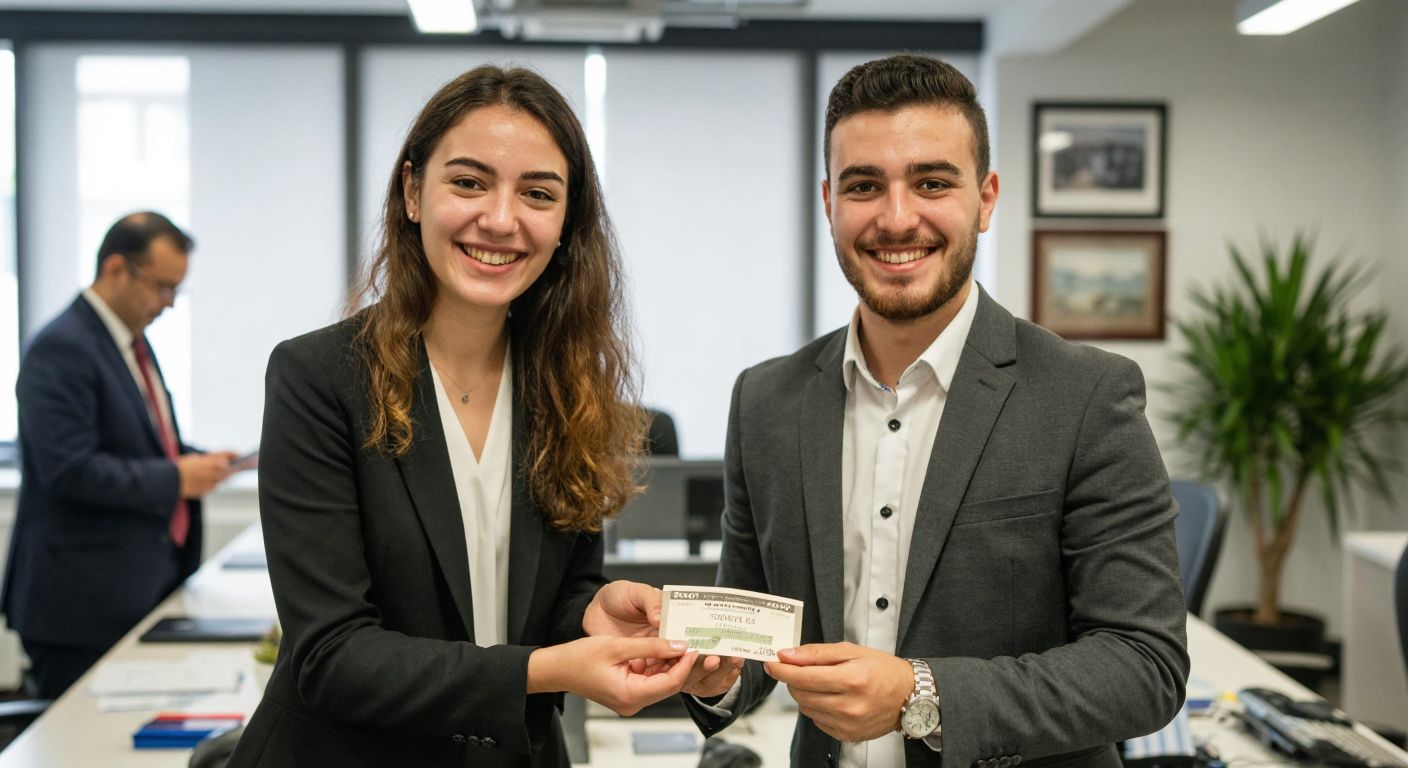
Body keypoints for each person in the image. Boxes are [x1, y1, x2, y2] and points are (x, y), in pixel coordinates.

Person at [681, 53, 1189, 768]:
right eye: (864, 185)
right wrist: (719, 674)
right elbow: (759, 634)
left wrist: (922, 694)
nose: (896, 218)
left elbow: (1145, 666)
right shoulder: (766, 401)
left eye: (931, 182)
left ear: (986, 197)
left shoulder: (1085, 397)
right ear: (829, 201)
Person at [227, 66, 695, 768]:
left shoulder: (567, 386)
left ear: (567, 223)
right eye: (469, 182)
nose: (501, 220)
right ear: (414, 191)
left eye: (537, 194)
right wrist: (553, 669)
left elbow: (549, 596)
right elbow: (331, 656)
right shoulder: (318, 378)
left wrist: (594, 615)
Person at [2, 212, 237, 699]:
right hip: (78, 607)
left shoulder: (130, 342)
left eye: (177, 289)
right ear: (115, 269)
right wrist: (176, 478)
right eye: (161, 286)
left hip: (135, 589)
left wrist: (198, 461)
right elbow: (69, 470)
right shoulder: (61, 348)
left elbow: (146, 442)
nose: (168, 303)